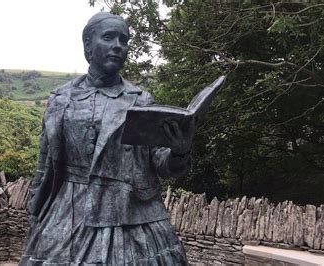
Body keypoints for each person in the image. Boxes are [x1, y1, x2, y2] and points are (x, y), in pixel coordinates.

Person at [19, 12, 194, 265]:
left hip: (128, 211)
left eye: (123, 40)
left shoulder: (139, 100)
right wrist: (36, 209)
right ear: (88, 45)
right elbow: (44, 164)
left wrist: (179, 152)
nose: (118, 46)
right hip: (66, 210)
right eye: (109, 37)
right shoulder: (60, 100)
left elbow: (159, 162)